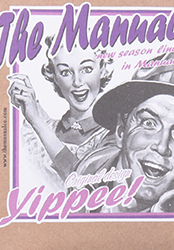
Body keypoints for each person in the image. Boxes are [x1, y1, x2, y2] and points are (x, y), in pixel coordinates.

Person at [75, 48, 174, 213]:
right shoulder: (84, 179)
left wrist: (167, 211)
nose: (162, 147)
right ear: (120, 131)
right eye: (149, 123)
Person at [7, 36, 113, 190]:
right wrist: (30, 105)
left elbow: (83, 185)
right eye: (65, 72)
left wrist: (36, 119)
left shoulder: (116, 135)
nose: (77, 82)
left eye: (87, 69)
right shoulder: (35, 132)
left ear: (102, 70)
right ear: (54, 77)